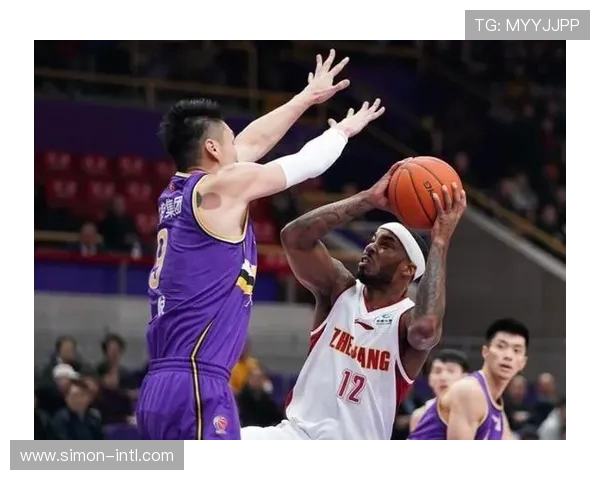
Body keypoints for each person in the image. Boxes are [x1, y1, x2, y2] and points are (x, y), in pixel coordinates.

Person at [136, 50, 386, 441]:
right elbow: (305, 165)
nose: (238, 146)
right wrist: (342, 132)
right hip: (197, 382)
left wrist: (305, 98)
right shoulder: (219, 187)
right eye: (229, 141)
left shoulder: (180, 192)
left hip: (161, 384)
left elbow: (254, 140)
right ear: (213, 150)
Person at [242, 161, 467, 440]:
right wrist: (367, 199)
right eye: (373, 239)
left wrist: (440, 243)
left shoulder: (406, 320)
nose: (371, 247)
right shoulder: (340, 289)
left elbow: (426, 329)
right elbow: (294, 238)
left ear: (408, 269)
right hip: (297, 436)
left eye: (385, 245)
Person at [408, 318, 529, 440]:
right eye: (501, 346)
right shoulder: (469, 391)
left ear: (522, 363)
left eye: (516, 350)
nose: (508, 356)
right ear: (485, 352)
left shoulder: (497, 409)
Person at [408, 349, 469, 433]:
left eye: (450, 371)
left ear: (465, 377)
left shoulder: (478, 411)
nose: (443, 377)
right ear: (429, 379)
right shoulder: (419, 416)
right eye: (437, 371)